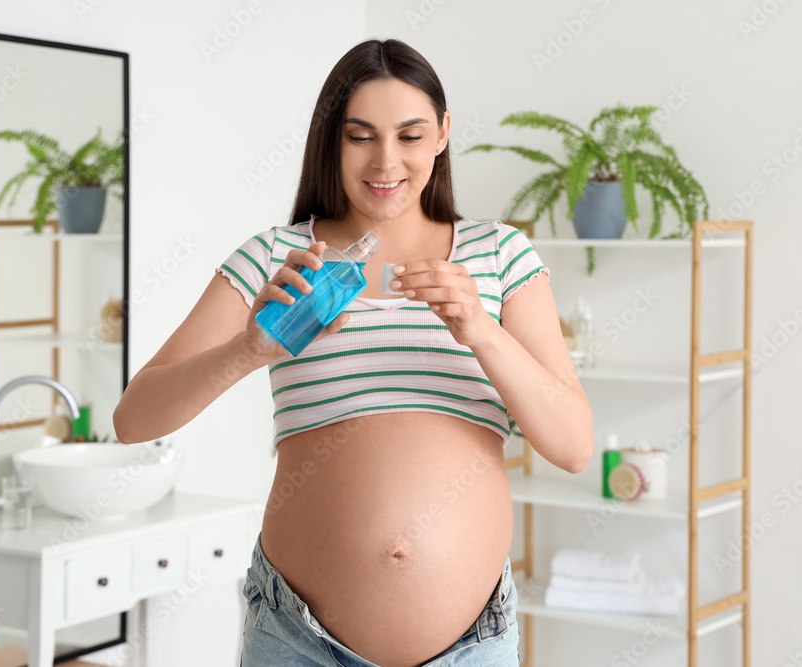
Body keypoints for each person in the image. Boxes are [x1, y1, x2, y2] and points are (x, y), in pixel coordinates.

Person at [114, 38, 593, 667]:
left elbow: (573, 446)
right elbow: (133, 421)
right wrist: (250, 348)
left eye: (410, 135)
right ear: (330, 140)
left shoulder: (500, 256)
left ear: (443, 134)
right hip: (296, 641)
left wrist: (480, 328)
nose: (385, 160)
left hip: (470, 648)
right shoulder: (277, 261)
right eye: (360, 135)